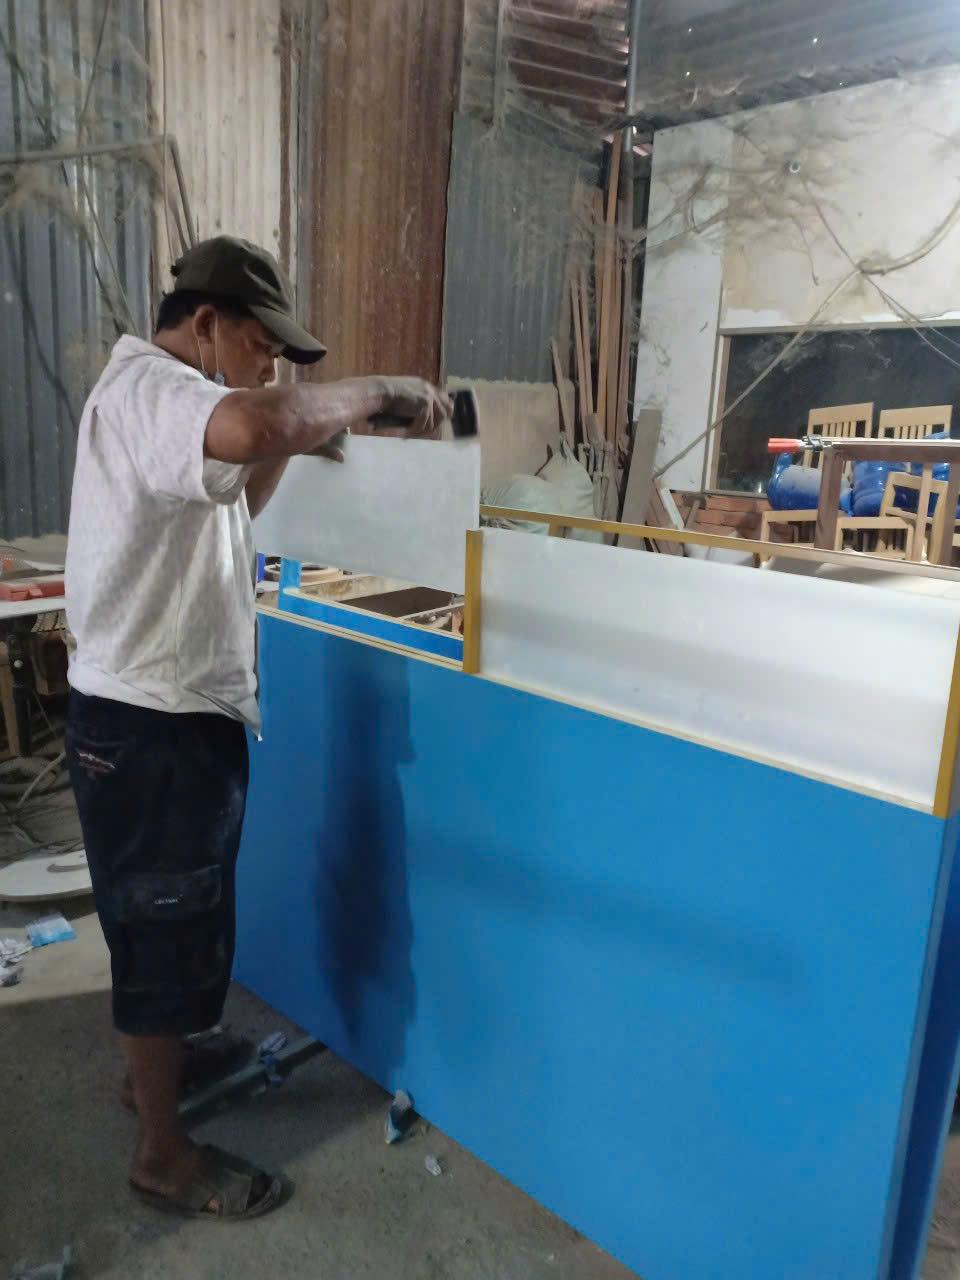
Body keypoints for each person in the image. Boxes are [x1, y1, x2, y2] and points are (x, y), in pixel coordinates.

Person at [64, 235, 451, 1220]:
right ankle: (162, 1153)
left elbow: (242, 482)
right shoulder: (152, 390)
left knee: (170, 920)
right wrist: (373, 392)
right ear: (204, 324)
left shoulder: (184, 412)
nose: (270, 370)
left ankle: (158, 1070)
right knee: (159, 928)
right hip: (146, 722)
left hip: (171, 709)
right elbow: (248, 426)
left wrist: (293, 435)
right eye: (260, 347)